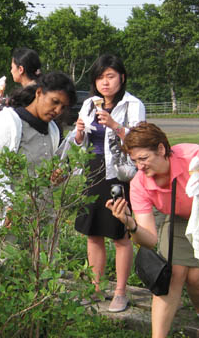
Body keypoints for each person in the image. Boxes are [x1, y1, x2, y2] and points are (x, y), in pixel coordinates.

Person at [106, 122, 199, 338]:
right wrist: (129, 223)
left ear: (161, 150)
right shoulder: (139, 184)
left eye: (143, 159)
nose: (139, 166)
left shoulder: (196, 157)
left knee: (197, 277)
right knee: (173, 274)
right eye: (134, 161)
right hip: (175, 217)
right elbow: (150, 240)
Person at [66, 54, 145, 312]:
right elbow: (80, 142)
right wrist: (78, 133)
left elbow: (140, 141)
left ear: (121, 77)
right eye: (100, 77)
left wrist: (115, 125)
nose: (105, 83)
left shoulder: (133, 105)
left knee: (119, 234)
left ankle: (120, 292)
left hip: (118, 174)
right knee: (93, 232)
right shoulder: (89, 103)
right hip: (92, 171)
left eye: (110, 76)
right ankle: (95, 288)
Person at [0, 72, 76, 232]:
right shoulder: (10, 122)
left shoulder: (53, 130)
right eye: (54, 102)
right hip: (10, 218)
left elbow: (59, 164)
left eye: (63, 107)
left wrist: (59, 174)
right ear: (39, 93)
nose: (57, 110)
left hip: (42, 216)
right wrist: (5, 204)